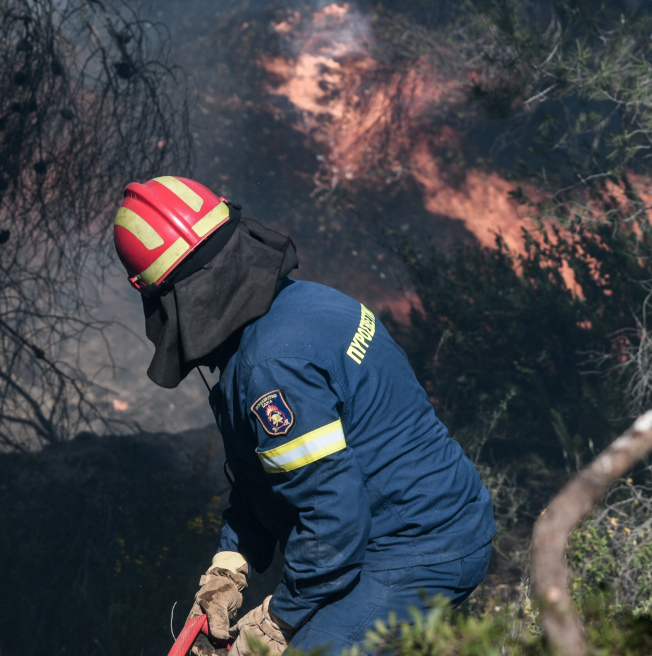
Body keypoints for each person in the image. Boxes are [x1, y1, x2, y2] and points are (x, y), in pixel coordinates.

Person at [112, 176, 496, 655]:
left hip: (416, 549)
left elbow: (334, 517)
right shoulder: (304, 304)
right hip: (423, 527)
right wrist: (229, 567)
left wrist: (279, 622)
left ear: (171, 297)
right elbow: (268, 476)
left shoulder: (270, 368)